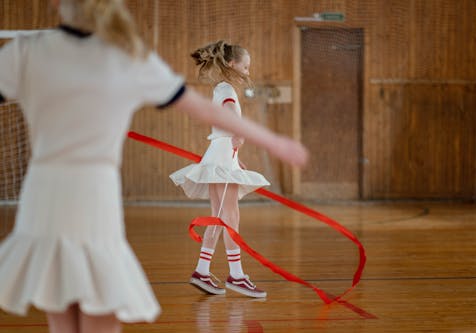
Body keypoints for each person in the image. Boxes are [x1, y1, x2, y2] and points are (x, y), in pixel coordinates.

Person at [0, 1, 308, 333]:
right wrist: (272, 142)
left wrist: (267, 142)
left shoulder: (28, 51)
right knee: (97, 312)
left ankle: (220, 271)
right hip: (90, 197)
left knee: (62, 311)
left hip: (47, 197)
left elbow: (208, 111)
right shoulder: (127, 55)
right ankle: (216, 271)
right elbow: (205, 111)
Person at [170, 41, 270, 298]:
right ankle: (236, 275)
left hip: (223, 156)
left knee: (219, 216)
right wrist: (239, 132)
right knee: (230, 216)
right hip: (222, 156)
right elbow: (227, 113)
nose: (248, 71)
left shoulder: (222, 87)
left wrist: (236, 158)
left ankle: (202, 270)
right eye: (245, 66)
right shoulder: (226, 89)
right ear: (231, 64)